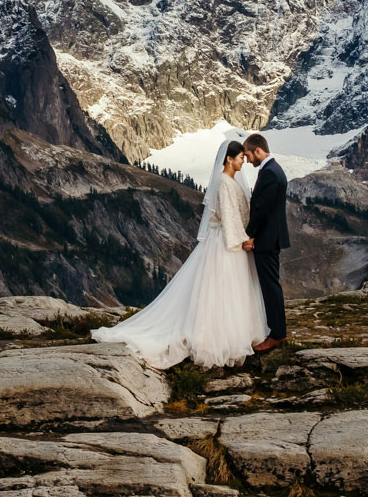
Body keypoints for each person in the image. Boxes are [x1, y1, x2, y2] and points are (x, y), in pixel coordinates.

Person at [90, 138, 266, 369]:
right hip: (225, 243)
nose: (244, 161)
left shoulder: (230, 182)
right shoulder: (223, 183)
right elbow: (228, 218)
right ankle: (215, 336)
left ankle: (230, 332)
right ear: (229, 159)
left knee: (229, 289)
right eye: (241, 157)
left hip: (231, 241)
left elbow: (239, 215)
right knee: (221, 289)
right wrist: (244, 240)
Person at [242, 132, 291, 351]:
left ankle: (278, 334)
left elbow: (262, 209)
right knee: (271, 284)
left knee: (270, 285)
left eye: (248, 155)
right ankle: (276, 330)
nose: (247, 160)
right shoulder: (273, 170)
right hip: (271, 236)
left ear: (258, 150)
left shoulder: (270, 173)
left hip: (267, 238)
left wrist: (250, 235)